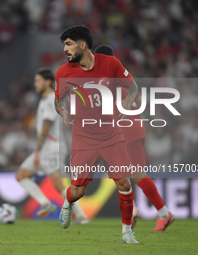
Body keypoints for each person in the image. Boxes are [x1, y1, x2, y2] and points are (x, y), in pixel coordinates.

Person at [54, 25, 138, 244]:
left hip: (111, 134)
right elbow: (58, 100)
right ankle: (68, 202)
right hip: (82, 138)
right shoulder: (63, 72)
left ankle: (127, 233)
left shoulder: (110, 63)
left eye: (69, 44)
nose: (65, 49)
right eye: (65, 44)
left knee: (124, 184)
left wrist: (127, 103)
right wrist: (63, 112)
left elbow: (133, 87)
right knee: (78, 191)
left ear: (82, 45)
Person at [94, 44, 175, 231]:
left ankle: (155, 213)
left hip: (123, 132)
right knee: (123, 173)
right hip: (135, 129)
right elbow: (138, 102)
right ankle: (158, 213)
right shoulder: (123, 75)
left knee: (130, 174)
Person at [16, 68, 89, 224]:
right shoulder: (47, 100)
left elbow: (46, 125)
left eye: (38, 81)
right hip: (50, 146)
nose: (35, 84)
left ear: (48, 82)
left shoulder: (50, 99)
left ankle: (82, 216)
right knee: (21, 175)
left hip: (50, 148)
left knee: (58, 184)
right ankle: (46, 203)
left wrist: (38, 149)